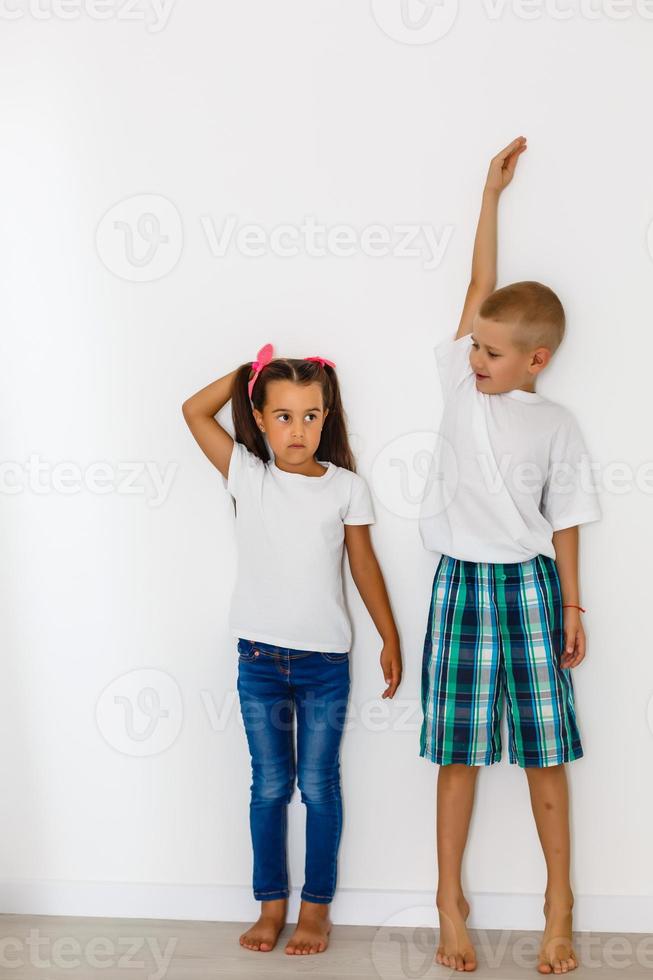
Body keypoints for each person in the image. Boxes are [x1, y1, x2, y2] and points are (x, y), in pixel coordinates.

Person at [418, 137, 602, 974]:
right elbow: (476, 289)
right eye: (475, 346)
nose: (475, 358)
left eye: (492, 351)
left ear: (536, 358)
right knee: (456, 752)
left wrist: (571, 604)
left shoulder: (553, 423)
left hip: (529, 590)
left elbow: (564, 520)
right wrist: (488, 198)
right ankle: (446, 900)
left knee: (543, 753)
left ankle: (556, 904)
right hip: (460, 584)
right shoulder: (462, 384)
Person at [182, 344, 402, 956]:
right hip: (258, 662)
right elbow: (193, 412)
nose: (298, 429)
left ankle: (316, 910)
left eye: (310, 415)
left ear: (327, 417)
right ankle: (270, 903)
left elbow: (363, 564)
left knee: (320, 787)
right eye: (283, 415)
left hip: (323, 665)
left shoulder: (346, 489)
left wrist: (390, 634)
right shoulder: (248, 477)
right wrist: (247, 373)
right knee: (269, 787)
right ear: (258, 418)